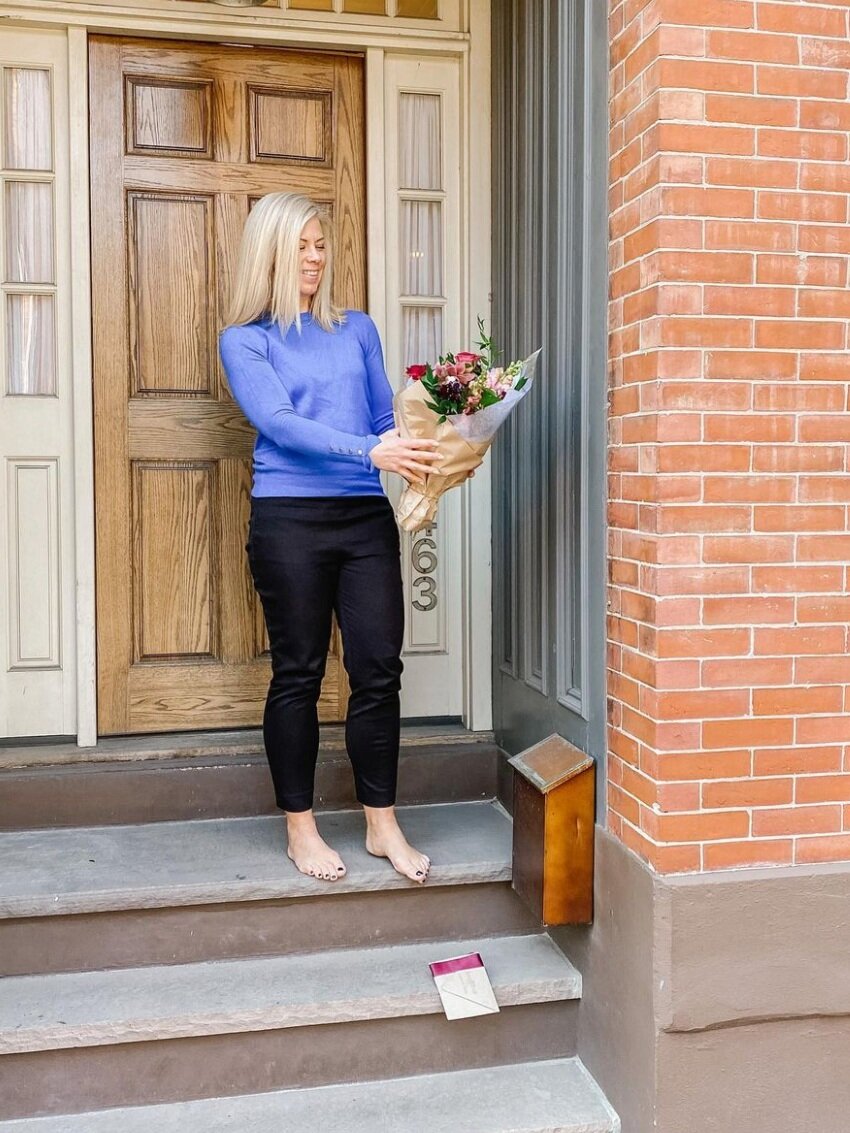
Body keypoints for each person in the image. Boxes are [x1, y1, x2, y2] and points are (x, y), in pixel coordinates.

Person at [219, 191, 441, 884]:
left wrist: (427, 454)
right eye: (301, 247)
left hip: (363, 519)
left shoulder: (357, 329)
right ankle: (301, 828)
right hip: (290, 520)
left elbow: (381, 416)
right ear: (270, 253)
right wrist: (369, 452)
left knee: (378, 669)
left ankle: (382, 823)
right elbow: (280, 424)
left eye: (320, 246)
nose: (315, 258)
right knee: (300, 672)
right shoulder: (245, 339)